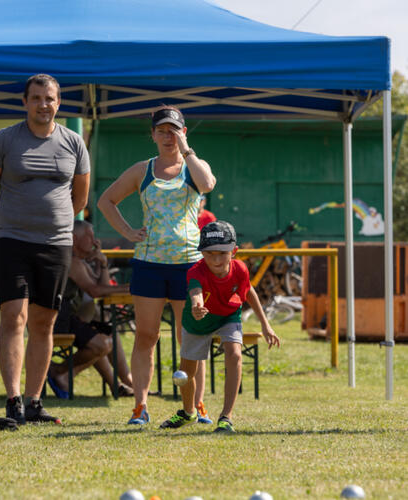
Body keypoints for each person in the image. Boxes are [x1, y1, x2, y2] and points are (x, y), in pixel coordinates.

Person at [0, 74, 90, 425]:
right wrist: (9, 229)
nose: (43, 104)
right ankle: (13, 400)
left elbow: (80, 197)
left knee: (43, 323)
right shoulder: (4, 140)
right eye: (36, 98)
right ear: (24, 102)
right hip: (13, 244)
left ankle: (35, 401)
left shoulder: (73, 142)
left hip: (56, 245)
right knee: (14, 317)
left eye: (50, 98)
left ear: (58, 103)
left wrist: (55, 229)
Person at [98, 106, 216, 425]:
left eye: (174, 130)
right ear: (152, 135)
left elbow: (207, 184)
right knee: (146, 336)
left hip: (189, 264)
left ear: (184, 132)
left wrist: (187, 150)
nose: (168, 136)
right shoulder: (142, 170)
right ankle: (140, 406)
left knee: (189, 337)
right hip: (149, 264)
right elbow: (105, 200)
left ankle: (197, 405)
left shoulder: (193, 166)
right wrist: (126, 231)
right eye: (161, 131)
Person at [160, 221, 280, 433]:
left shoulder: (240, 269)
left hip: (227, 314)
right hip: (197, 319)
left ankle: (226, 417)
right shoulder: (196, 271)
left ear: (234, 251)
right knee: (187, 373)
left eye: (222, 253)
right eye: (209, 253)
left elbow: (248, 291)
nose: (215, 259)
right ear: (202, 253)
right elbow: (195, 292)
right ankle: (188, 413)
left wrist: (266, 324)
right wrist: (198, 306)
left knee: (234, 354)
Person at [47, 220, 134, 398]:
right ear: (73, 239)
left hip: (70, 317)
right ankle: (59, 371)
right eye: (89, 236)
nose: (95, 240)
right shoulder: (71, 261)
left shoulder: (80, 261)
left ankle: (126, 383)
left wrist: (101, 264)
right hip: (58, 320)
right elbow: (95, 291)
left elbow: (101, 287)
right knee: (102, 343)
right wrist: (132, 288)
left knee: (108, 335)